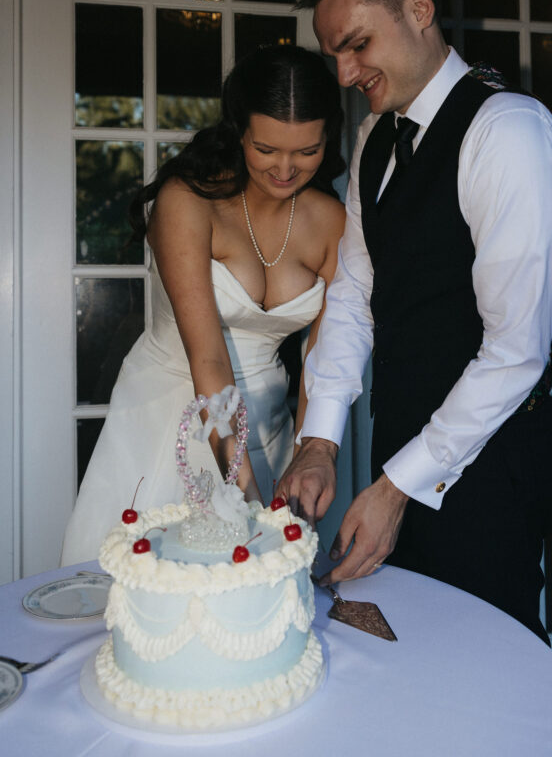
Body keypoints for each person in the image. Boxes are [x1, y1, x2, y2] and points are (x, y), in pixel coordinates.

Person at [276, 0, 552, 643]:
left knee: (488, 663)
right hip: (404, 445)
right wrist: (318, 440)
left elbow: (513, 353)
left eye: (356, 45)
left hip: (490, 464)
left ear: (418, 9)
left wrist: (394, 488)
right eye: (335, 56)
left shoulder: (507, 132)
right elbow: (353, 294)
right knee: (408, 660)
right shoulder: (377, 138)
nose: (345, 73)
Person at [61, 44, 345, 565]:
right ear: (239, 132)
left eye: (307, 151)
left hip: (271, 425)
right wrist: (251, 505)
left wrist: (308, 452)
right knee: (157, 592)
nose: (285, 169)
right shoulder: (186, 202)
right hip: (174, 412)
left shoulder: (332, 221)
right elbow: (208, 362)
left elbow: (321, 364)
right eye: (266, 149)